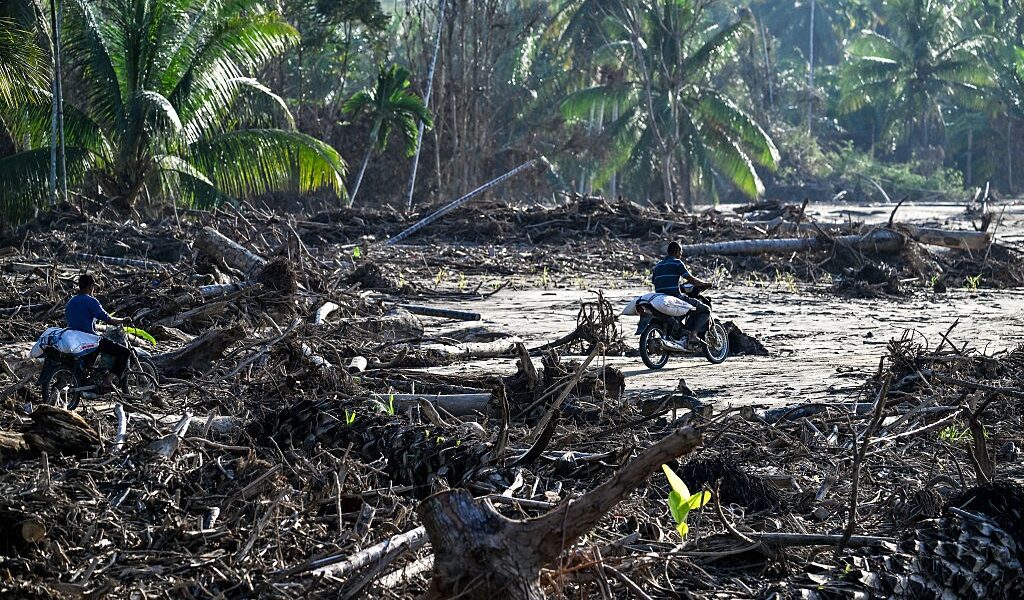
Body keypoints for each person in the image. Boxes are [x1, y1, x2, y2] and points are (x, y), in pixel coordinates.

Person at [66, 274, 129, 388]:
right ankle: (108, 381)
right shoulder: (91, 301)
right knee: (125, 352)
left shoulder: (71, 301)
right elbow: (108, 319)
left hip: (74, 339)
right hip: (89, 339)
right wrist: (123, 320)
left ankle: (91, 375)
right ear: (90, 287)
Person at [651, 241, 712, 339]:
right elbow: (691, 279)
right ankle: (693, 334)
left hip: (660, 299)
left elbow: (655, 282)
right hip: (674, 297)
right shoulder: (677, 263)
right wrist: (704, 284)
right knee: (705, 310)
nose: (681, 255)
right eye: (680, 252)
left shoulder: (658, 266)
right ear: (676, 252)